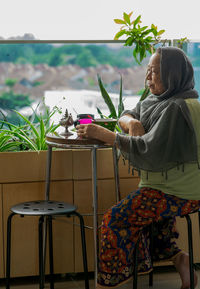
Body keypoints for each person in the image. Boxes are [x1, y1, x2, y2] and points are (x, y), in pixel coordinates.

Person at [76, 46, 200, 289]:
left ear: (172, 75)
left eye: (154, 72)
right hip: (171, 187)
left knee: (115, 219)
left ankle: (109, 285)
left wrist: (105, 135)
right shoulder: (164, 101)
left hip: (177, 192)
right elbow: (128, 112)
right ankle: (180, 259)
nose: (148, 78)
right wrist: (132, 123)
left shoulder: (176, 108)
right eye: (148, 71)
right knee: (150, 220)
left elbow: (148, 152)